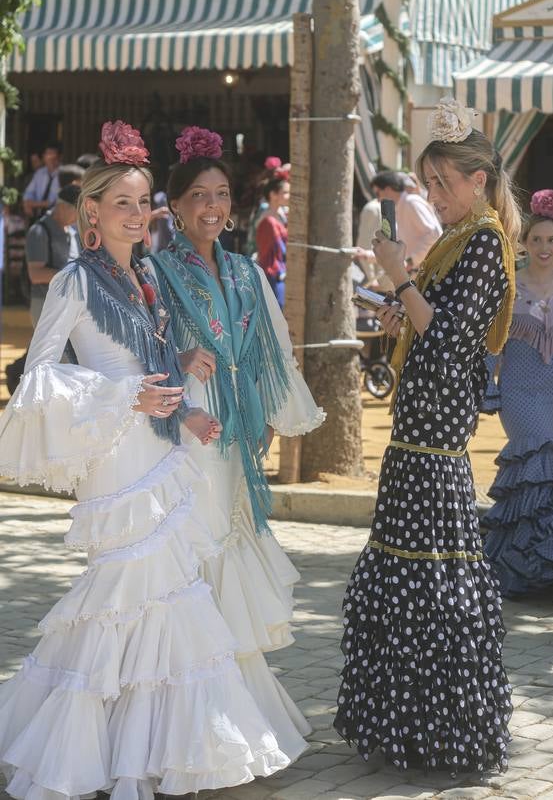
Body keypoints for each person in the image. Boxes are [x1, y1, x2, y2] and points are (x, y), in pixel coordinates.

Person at [0, 120, 302, 796]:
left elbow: (155, 361)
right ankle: (90, 751)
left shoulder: (146, 276)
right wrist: (123, 395)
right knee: (122, 598)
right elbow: (36, 376)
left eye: (143, 203)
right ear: (93, 211)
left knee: (168, 597)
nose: (137, 215)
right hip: (116, 457)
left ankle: (156, 747)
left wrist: (184, 387)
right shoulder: (74, 281)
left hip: (164, 454)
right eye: (123, 203)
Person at [335, 97, 517, 774]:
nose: (434, 196)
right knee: (408, 573)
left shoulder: (485, 243)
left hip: (437, 442)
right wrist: (400, 307)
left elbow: (447, 346)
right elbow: (431, 324)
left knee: (434, 580)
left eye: (444, 183)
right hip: (417, 437)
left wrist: (400, 277)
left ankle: (444, 730)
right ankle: (409, 725)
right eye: (428, 183)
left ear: (479, 180)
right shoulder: (457, 239)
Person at [150, 125, 325, 763]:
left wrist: (270, 413)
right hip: (184, 428)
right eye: (198, 194)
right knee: (193, 551)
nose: (212, 205)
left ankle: (233, 712)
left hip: (236, 435)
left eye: (221, 193)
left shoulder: (247, 272)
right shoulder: (154, 272)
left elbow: (272, 349)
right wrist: (177, 361)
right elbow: (137, 348)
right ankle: (182, 716)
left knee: (228, 542)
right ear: (174, 206)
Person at [482, 190, 553, 597]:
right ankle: (523, 568)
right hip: (516, 392)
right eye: (536, 240)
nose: (544, 247)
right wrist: (487, 384)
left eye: (551, 240)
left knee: (551, 465)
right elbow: (491, 343)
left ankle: (549, 567)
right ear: (525, 243)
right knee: (533, 458)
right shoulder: (509, 287)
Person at [356, 171, 442, 290]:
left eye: (377, 193)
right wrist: (367, 255)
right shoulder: (399, 208)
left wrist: (411, 261)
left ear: (388, 189)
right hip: (420, 277)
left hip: (432, 277)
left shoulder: (411, 202)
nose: (378, 200)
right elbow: (400, 250)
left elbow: (434, 235)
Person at [25, 183, 80, 326]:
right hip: (45, 304)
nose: (79, 218)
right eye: (77, 211)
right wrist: (73, 276)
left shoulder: (72, 232)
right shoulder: (39, 231)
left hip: (69, 304)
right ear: (62, 207)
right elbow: (35, 275)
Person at [256, 171, 290, 308]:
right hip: (273, 273)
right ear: (273, 195)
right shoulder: (268, 220)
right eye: (285, 192)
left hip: (282, 271)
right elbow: (268, 252)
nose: (289, 196)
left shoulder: (281, 214)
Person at [22, 142, 62, 218]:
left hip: (56, 216)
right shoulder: (39, 174)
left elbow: (53, 202)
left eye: (53, 155)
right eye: (48, 154)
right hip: (39, 216)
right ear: (43, 157)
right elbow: (28, 193)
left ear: (59, 157)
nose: (50, 158)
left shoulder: (64, 174)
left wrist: (34, 204)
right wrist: (27, 203)